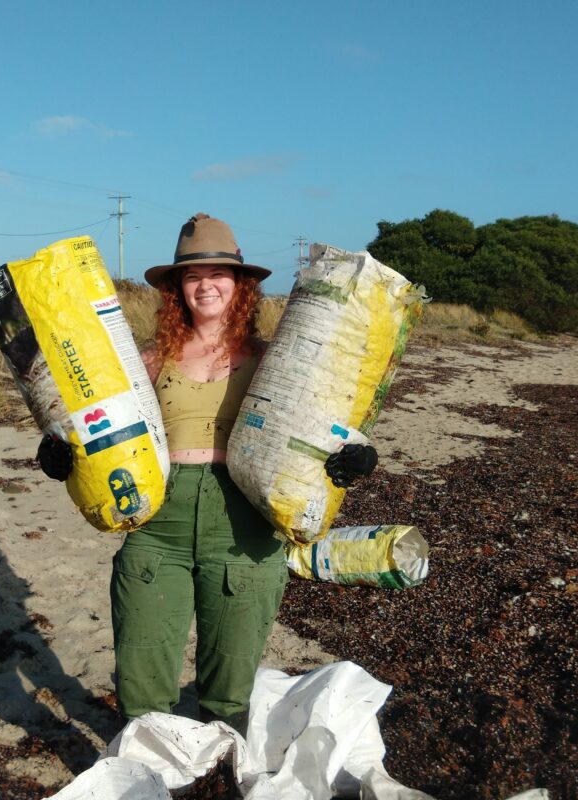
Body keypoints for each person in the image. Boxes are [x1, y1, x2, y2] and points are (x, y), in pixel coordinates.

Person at [37, 213, 377, 735]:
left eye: (218, 273)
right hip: (158, 531)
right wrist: (61, 456)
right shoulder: (147, 362)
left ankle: (222, 775)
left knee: (229, 685)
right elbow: (101, 429)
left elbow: (327, 430)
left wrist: (353, 459)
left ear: (240, 286)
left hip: (245, 530)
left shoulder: (275, 363)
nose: (205, 285)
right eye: (193, 276)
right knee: (143, 677)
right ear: (177, 289)